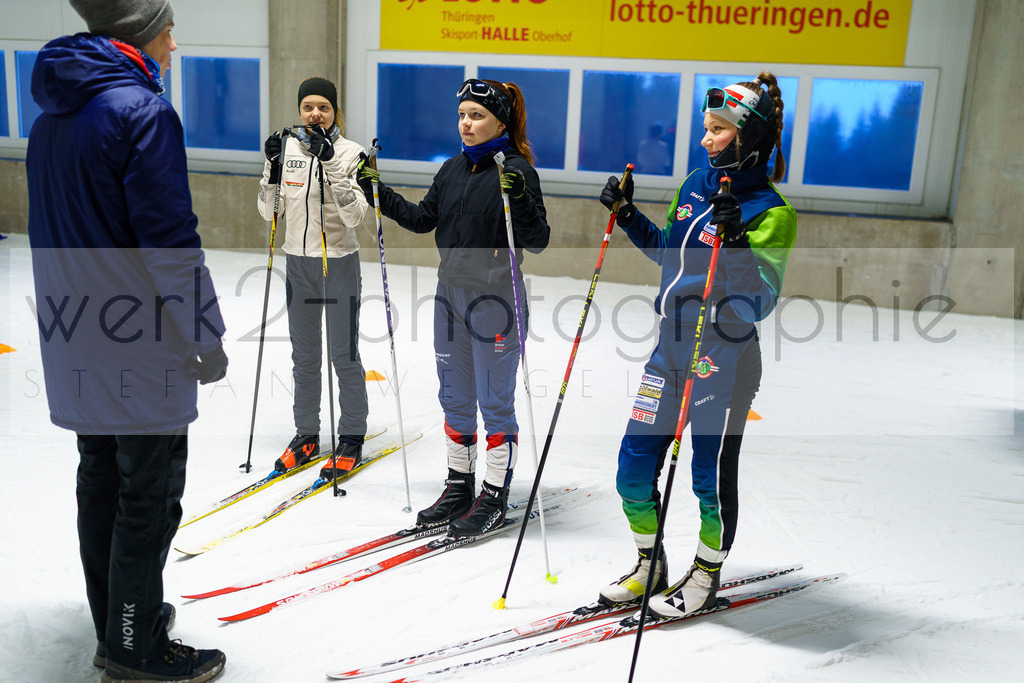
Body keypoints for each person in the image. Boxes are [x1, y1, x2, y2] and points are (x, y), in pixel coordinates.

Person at [26, 1, 227, 680]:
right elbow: (169, 241)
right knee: (149, 488)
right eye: (167, 27)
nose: (175, 40)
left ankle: (120, 614)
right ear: (141, 35)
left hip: (78, 332)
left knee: (102, 475)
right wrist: (205, 332)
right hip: (138, 339)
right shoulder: (141, 112)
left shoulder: (52, 115)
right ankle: (133, 645)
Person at [596, 72, 797, 618]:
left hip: (726, 355)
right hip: (671, 347)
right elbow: (671, 255)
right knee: (633, 468)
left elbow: (759, 299)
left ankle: (705, 574)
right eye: (705, 129)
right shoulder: (693, 186)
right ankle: (649, 565)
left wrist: (736, 242)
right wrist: (626, 214)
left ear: (747, 138)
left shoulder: (772, 212)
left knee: (707, 475)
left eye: (718, 131)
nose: (706, 140)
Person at [356, 78, 550, 537]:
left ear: (500, 121)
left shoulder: (517, 170)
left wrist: (519, 197)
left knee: (494, 402)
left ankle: (495, 495)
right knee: (455, 397)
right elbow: (424, 220)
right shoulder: (451, 170)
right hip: (450, 297)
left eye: (477, 116)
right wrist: (376, 192)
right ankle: (459, 485)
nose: (467, 123)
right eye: (462, 115)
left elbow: (537, 240)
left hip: (496, 300)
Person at [257, 77, 370, 479]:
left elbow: (357, 215)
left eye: (323, 106)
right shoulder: (286, 151)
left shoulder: (352, 153)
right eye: (308, 107)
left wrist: (330, 164)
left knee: (344, 355)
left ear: (335, 111)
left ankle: (352, 434)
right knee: (304, 357)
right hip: (298, 265)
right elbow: (269, 212)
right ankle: (306, 434)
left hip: (338, 263)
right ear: (299, 111)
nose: (315, 114)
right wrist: (271, 169)